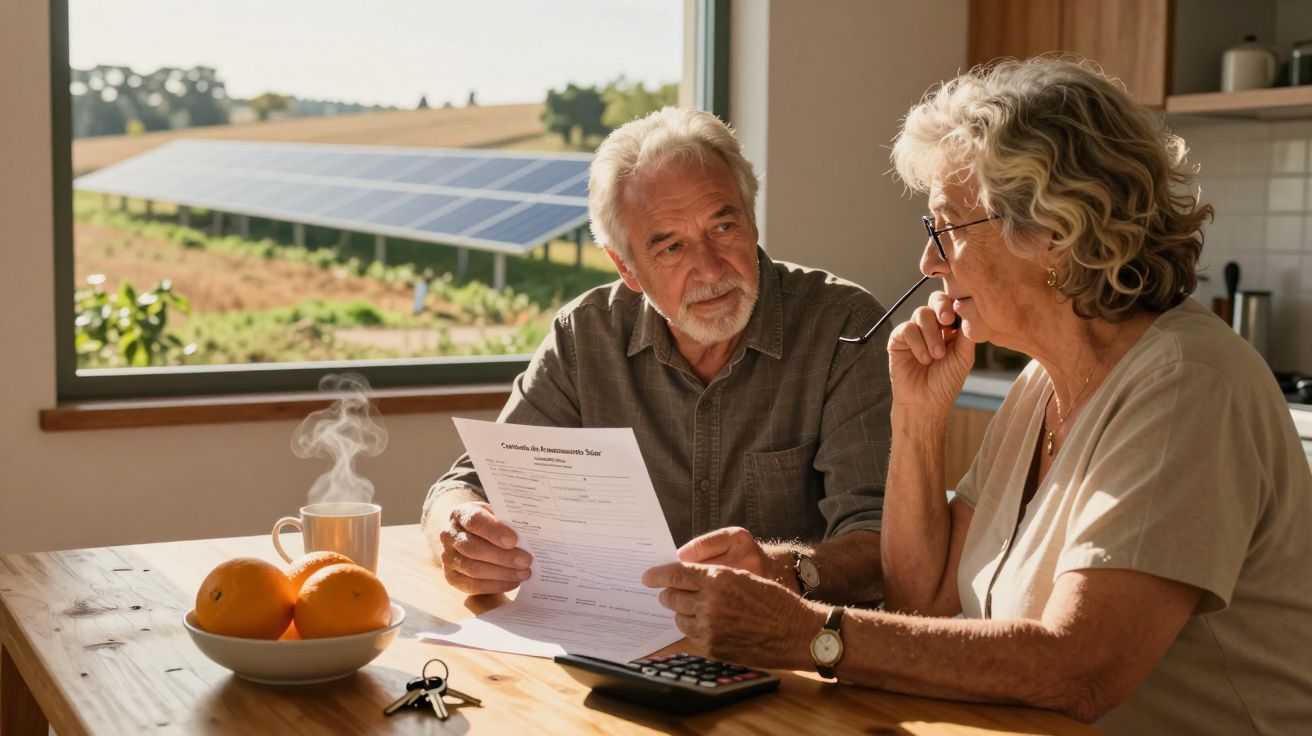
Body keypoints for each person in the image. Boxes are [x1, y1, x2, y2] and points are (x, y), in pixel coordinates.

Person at [643, 58, 1312, 734]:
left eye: (945, 228)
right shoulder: (1040, 383)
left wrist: (808, 634)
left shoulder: (1186, 384)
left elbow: (1079, 669)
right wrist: (918, 417)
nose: (928, 263)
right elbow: (923, 597)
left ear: (1053, 230)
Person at [422, 107, 892, 604]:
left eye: (723, 227)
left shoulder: (846, 328)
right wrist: (457, 535)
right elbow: (467, 485)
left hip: (792, 651)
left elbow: (884, 542)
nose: (710, 270)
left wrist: (783, 569)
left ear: (751, 220)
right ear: (626, 267)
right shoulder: (586, 336)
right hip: (618, 641)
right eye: (670, 248)